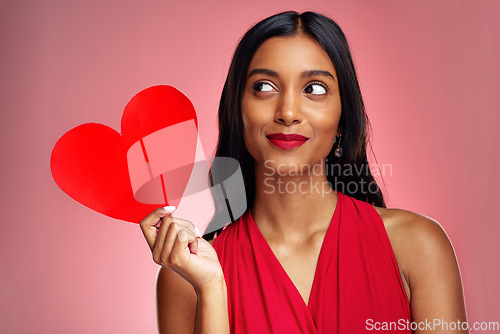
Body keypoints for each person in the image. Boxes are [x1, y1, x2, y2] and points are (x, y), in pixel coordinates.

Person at [140, 11, 468, 334]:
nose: (288, 112)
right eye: (265, 86)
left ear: (342, 119)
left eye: (314, 89)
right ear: (237, 109)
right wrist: (212, 288)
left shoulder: (418, 246)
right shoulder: (186, 275)